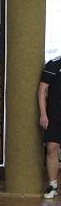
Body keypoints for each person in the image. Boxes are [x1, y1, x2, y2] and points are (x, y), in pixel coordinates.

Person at [38, 55, 61, 198]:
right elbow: (41, 90)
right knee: (52, 148)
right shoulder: (53, 64)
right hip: (54, 115)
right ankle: (53, 186)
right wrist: (43, 114)